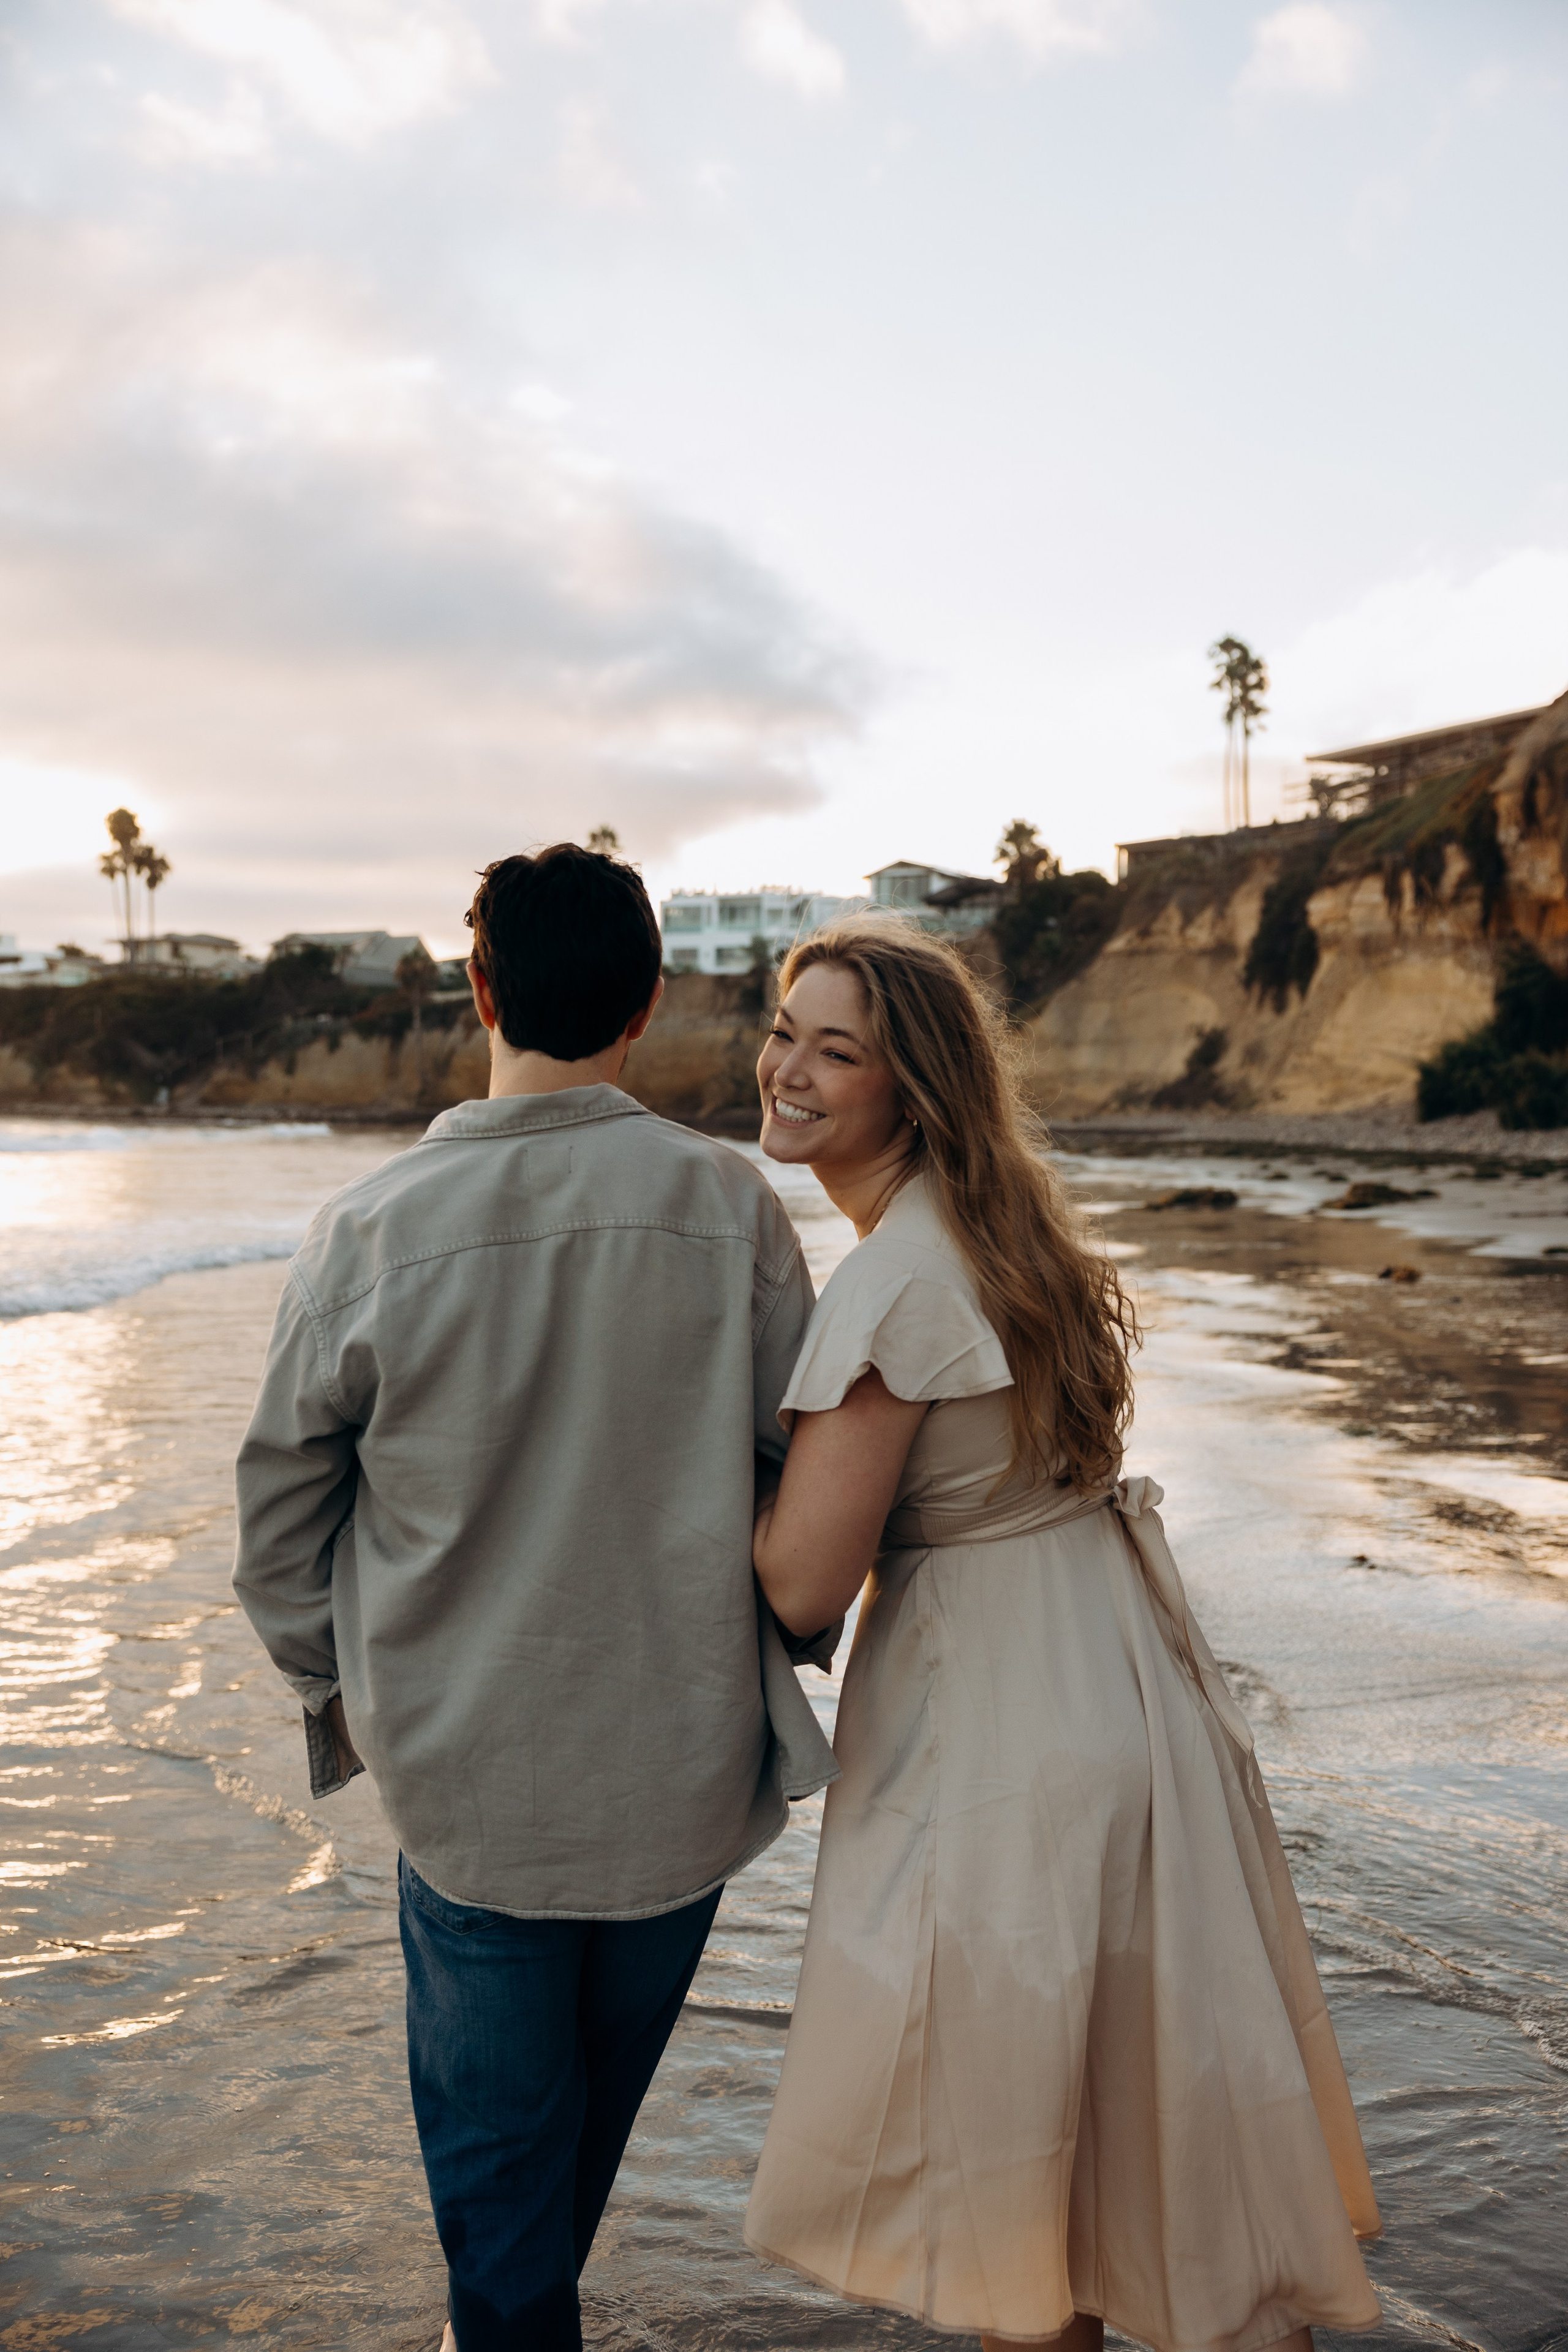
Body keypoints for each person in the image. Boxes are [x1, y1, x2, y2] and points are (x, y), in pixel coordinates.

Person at [742, 918, 1382, 2352]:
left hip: (998, 1727)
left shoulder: (892, 1281)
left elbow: (797, 1585)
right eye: (785, 1029)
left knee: (1002, 2140)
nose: (787, 1067)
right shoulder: (1000, 1229)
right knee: (1084, 2130)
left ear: (911, 1087)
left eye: (835, 1050)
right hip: (1106, 1683)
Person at [232, 843, 837, 2352]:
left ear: (477, 988)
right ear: (644, 1008)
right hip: (683, 1774)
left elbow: (276, 1531)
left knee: (504, 2201)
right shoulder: (731, 1211)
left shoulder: (367, 1233)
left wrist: (356, 1692)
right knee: (551, 2179)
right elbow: (801, 1480)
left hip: (471, 1785)